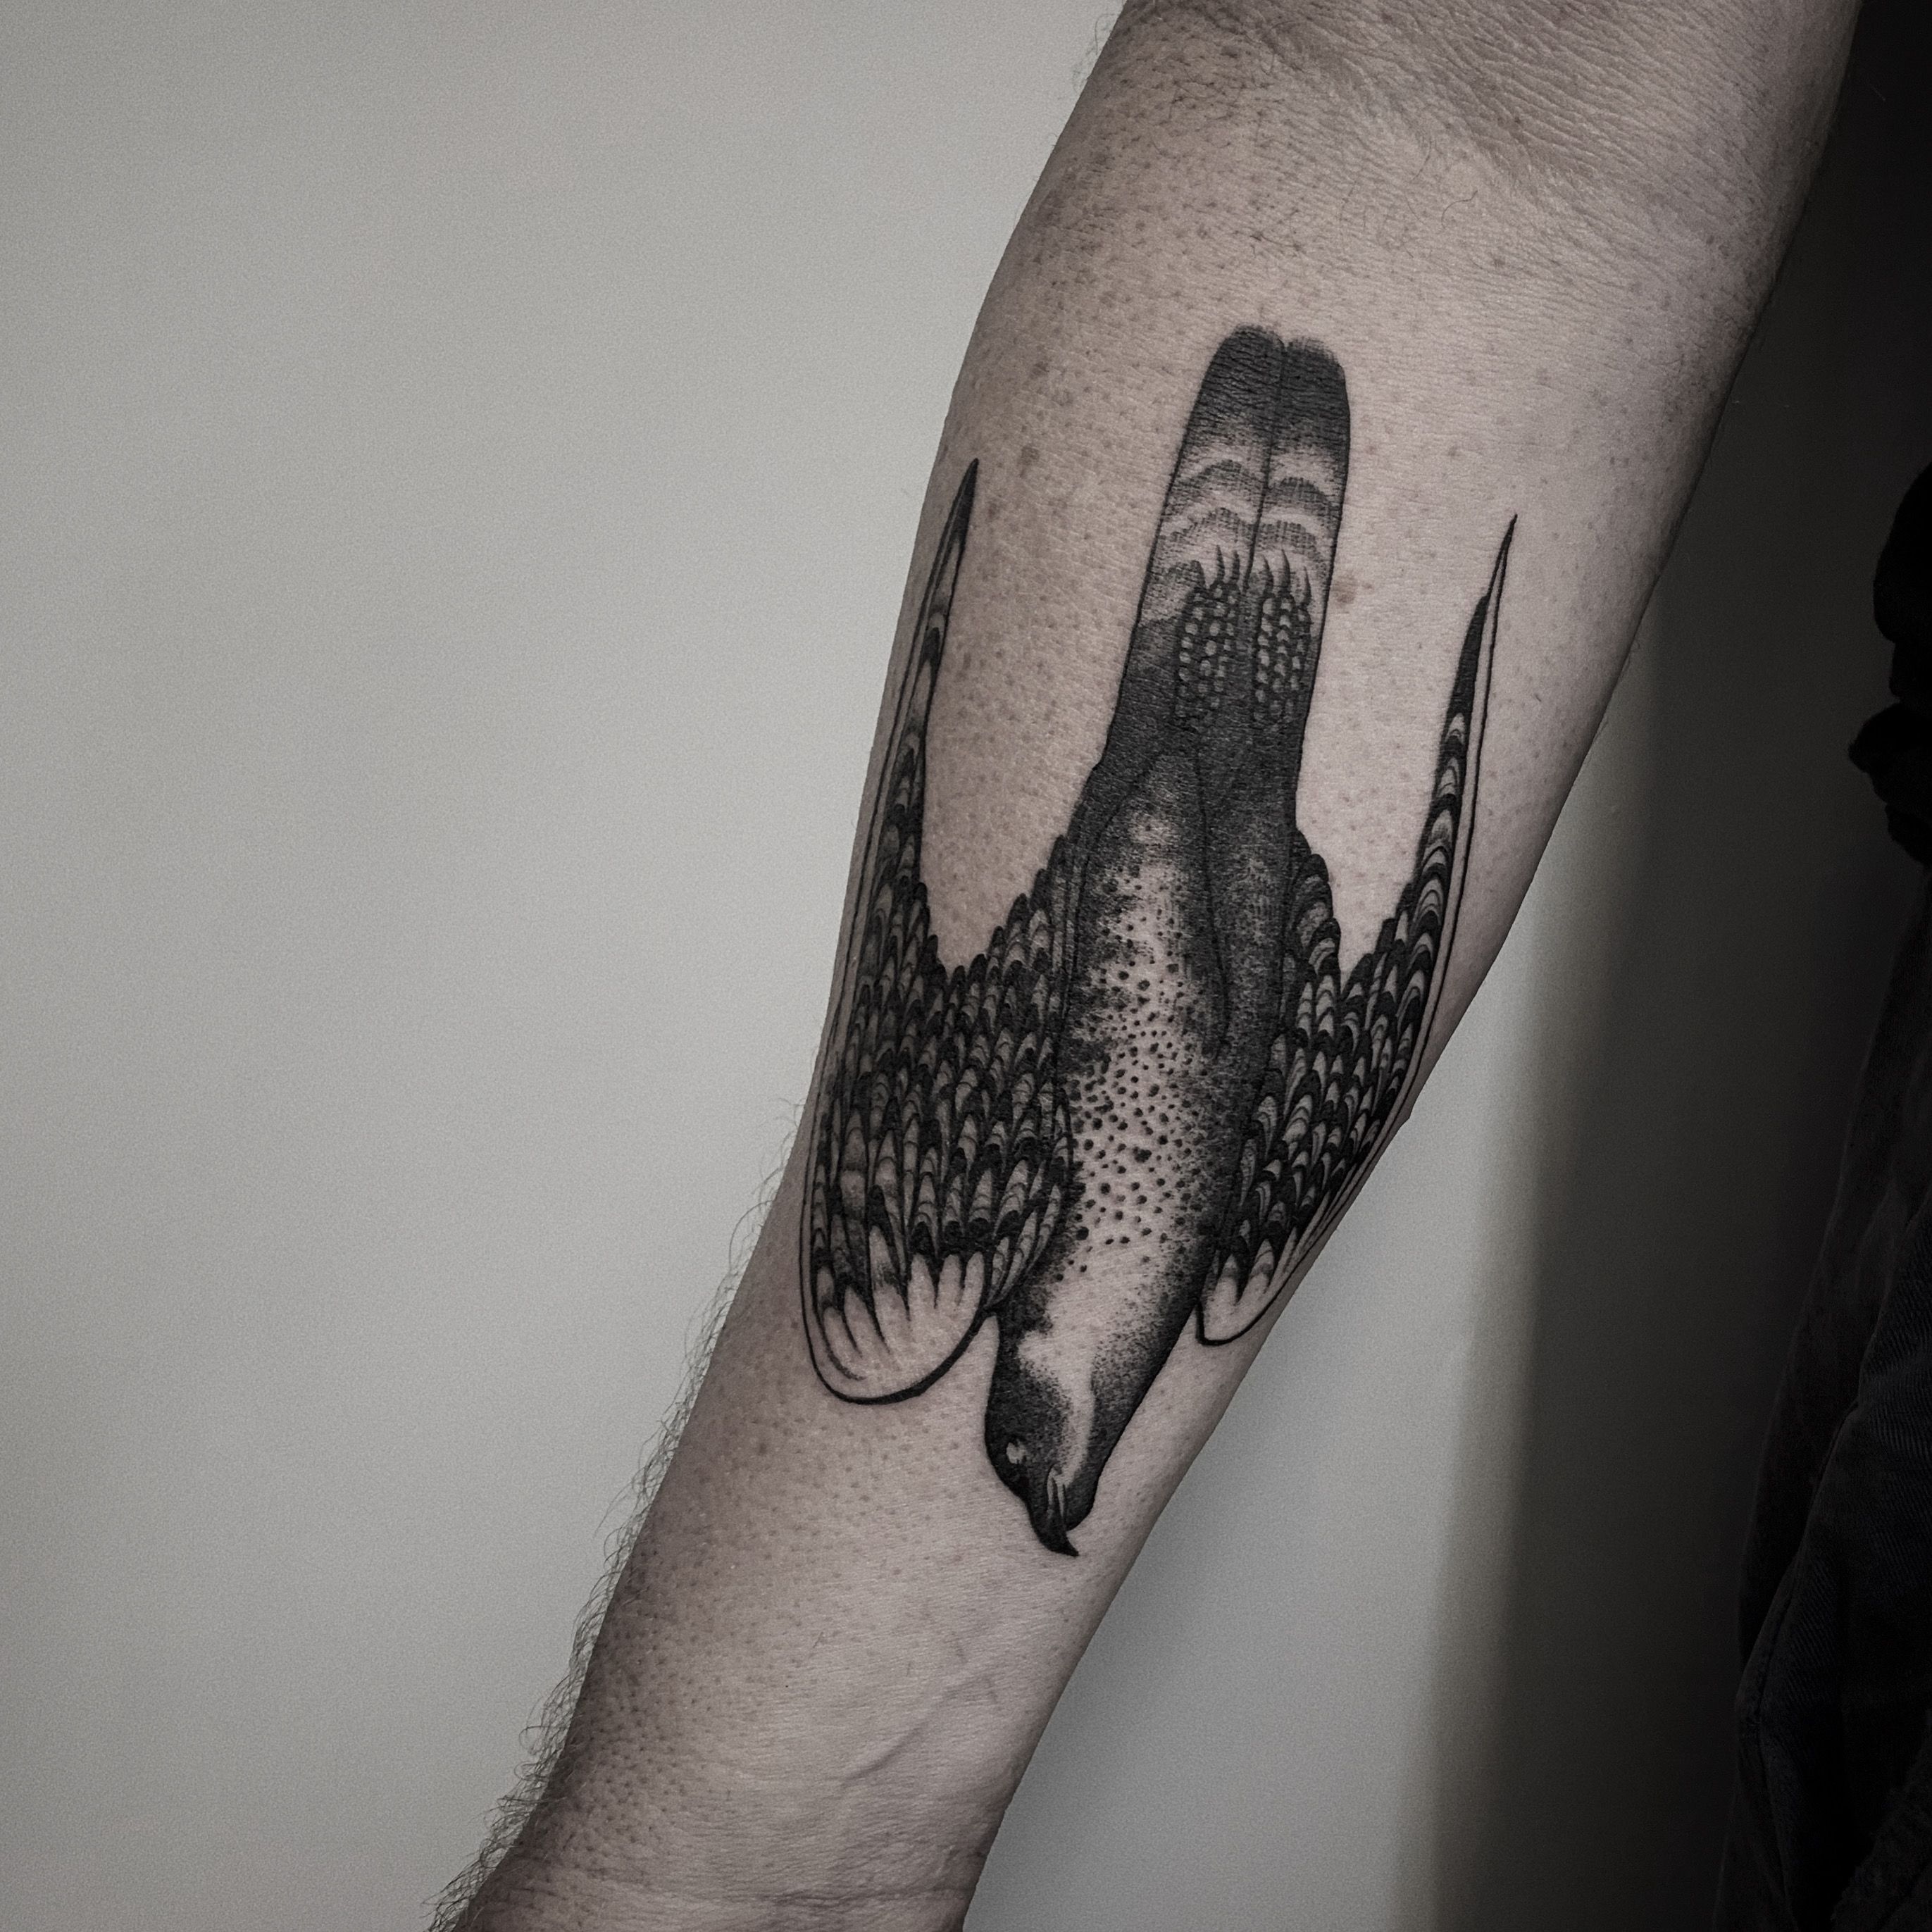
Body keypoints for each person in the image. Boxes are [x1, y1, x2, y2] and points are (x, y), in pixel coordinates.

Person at [436, 4, 1874, 1926]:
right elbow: (1437, 83)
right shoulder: (1117, 1267)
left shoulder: (947, 1282)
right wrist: (749, 1874)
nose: (1060, 1435)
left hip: (1186, 757)